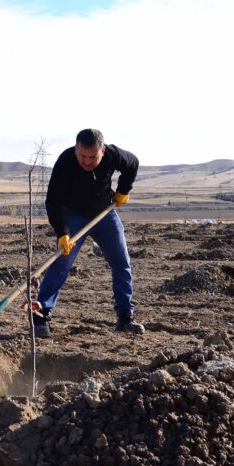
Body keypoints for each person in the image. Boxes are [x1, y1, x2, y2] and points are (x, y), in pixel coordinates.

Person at [33, 128, 143, 338]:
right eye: (82, 156)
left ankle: (125, 317)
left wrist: (123, 190)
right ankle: (41, 316)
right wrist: (62, 232)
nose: (86, 161)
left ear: (102, 150)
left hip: (103, 214)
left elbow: (133, 163)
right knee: (61, 264)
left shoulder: (114, 155)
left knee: (121, 262)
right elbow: (52, 201)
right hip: (72, 215)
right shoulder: (65, 161)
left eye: (92, 157)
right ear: (76, 149)